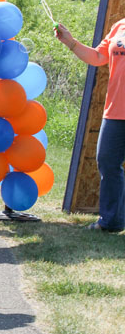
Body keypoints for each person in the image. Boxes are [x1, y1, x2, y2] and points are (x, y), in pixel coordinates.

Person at [55, 19, 125, 233]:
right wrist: (70, 42)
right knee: (107, 162)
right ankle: (111, 222)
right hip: (115, 111)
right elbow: (97, 57)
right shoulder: (120, 26)